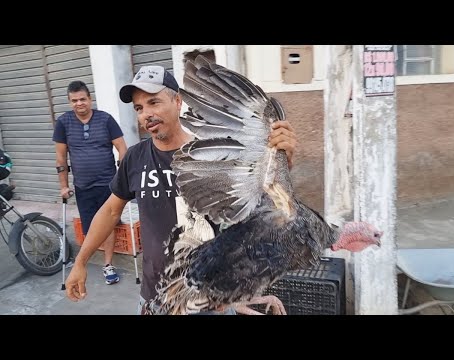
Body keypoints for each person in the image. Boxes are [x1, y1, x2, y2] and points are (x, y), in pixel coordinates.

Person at [64, 65, 297, 314]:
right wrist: (80, 262)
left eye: (154, 102)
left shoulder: (213, 155)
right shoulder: (135, 158)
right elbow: (110, 211)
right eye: (139, 108)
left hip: (210, 301)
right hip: (156, 299)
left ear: (177, 101)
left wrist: (283, 163)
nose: (146, 115)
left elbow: (260, 210)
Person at [53, 80, 127, 285]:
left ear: (89, 99)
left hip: (108, 184)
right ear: (70, 102)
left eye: (82, 99)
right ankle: (81, 264)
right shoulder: (63, 122)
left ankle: (108, 265)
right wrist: (63, 185)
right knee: (90, 228)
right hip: (83, 185)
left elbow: (122, 147)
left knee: (108, 224)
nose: (79, 103)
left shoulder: (105, 119)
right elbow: (60, 158)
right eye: (74, 100)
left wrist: (123, 169)